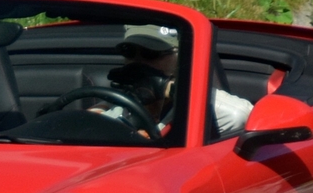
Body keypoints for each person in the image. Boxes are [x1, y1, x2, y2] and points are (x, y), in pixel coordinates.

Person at [84, 29, 252, 139]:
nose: (138, 62)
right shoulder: (117, 103)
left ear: (182, 57)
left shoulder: (209, 108)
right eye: (129, 52)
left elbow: (240, 115)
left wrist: (173, 90)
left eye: (151, 54)